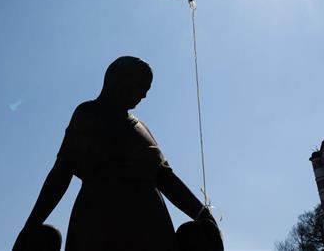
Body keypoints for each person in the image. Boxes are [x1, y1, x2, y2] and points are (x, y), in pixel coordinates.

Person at [14, 56, 213, 251]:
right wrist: (31, 226)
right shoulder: (88, 114)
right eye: (141, 84)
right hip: (100, 223)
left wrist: (202, 214)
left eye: (147, 88)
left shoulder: (142, 128)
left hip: (152, 227)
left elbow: (166, 179)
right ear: (117, 79)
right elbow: (61, 173)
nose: (144, 94)